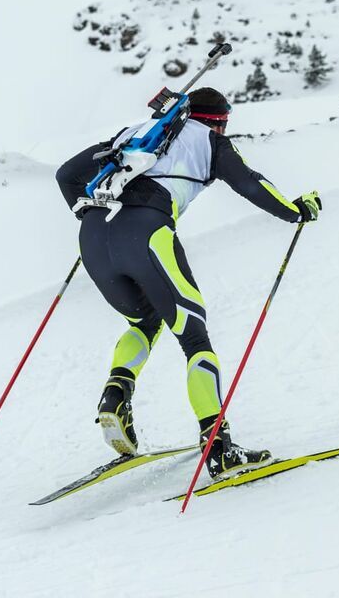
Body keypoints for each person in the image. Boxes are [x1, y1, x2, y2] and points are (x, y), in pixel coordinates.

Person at [56, 87, 321, 479]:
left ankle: (116, 396)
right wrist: (295, 211)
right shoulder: (211, 141)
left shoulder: (136, 132)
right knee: (194, 337)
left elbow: (66, 175)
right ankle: (219, 449)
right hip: (146, 233)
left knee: (144, 321)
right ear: (218, 120)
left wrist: (89, 216)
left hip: (95, 237)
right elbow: (250, 183)